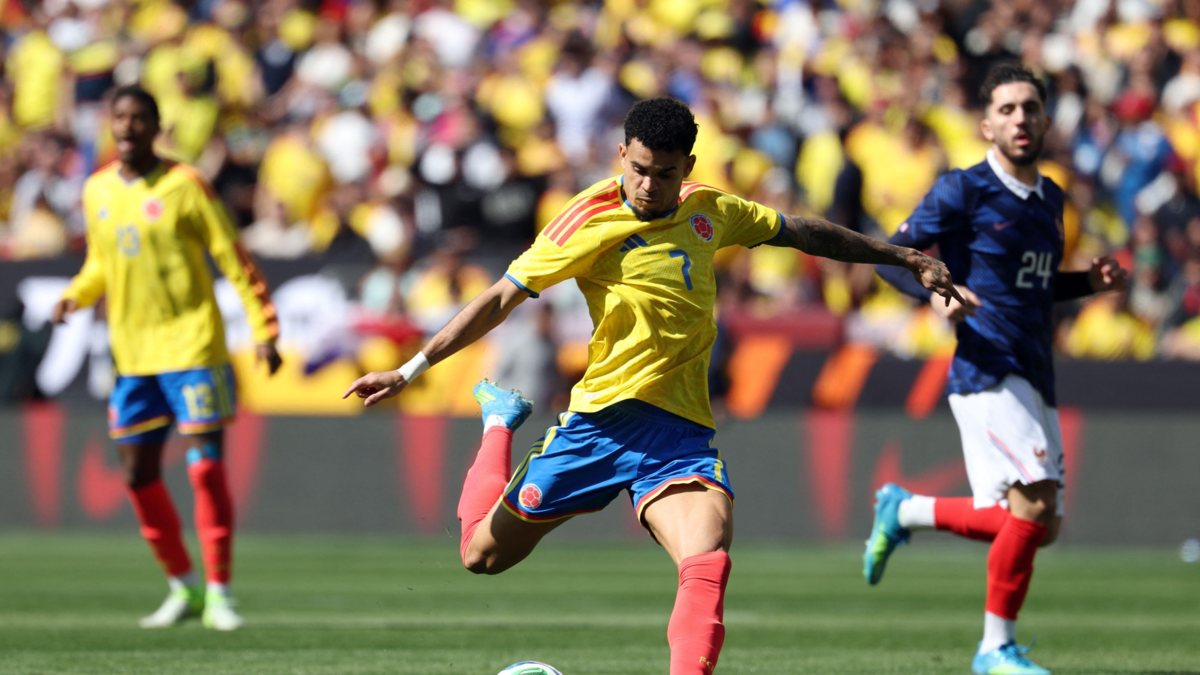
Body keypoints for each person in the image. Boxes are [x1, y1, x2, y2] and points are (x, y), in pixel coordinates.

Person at [343, 97, 962, 674]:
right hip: (597, 425)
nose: (647, 185)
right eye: (638, 168)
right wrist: (410, 369)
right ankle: (500, 422)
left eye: (663, 173)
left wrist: (904, 257)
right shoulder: (584, 219)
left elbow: (803, 232)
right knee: (481, 556)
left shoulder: (710, 210)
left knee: (708, 553)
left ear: (686, 166)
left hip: (679, 436)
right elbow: (501, 297)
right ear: (622, 156)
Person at [866, 63, 1128, 675]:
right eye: (1007, 109)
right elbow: (886, 259)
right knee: (1033, 508)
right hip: (986, 365)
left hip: (1036, 367)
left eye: (1030, 108)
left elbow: (1030, 290)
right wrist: (933, 293)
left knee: (1042, 523)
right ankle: (994, 649)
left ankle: (905, 511)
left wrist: (1087, 282)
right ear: (986, 123)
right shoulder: (963, 189)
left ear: (1045, 119)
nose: (1020, 119)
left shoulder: (1052, 198)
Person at [51, 86, 282, 631]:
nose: (127, 128)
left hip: (192, 346)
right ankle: (184, 585)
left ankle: (221, 592)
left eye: (138, 119)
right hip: (132, 356)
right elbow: (101, 265)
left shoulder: (186, 185)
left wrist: (264, 328)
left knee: (204, 467)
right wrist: (76, 295)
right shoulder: (97, 189)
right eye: (119, 118)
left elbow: (233, 256)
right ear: (109, 126)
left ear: (157, 128)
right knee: (136, 473)